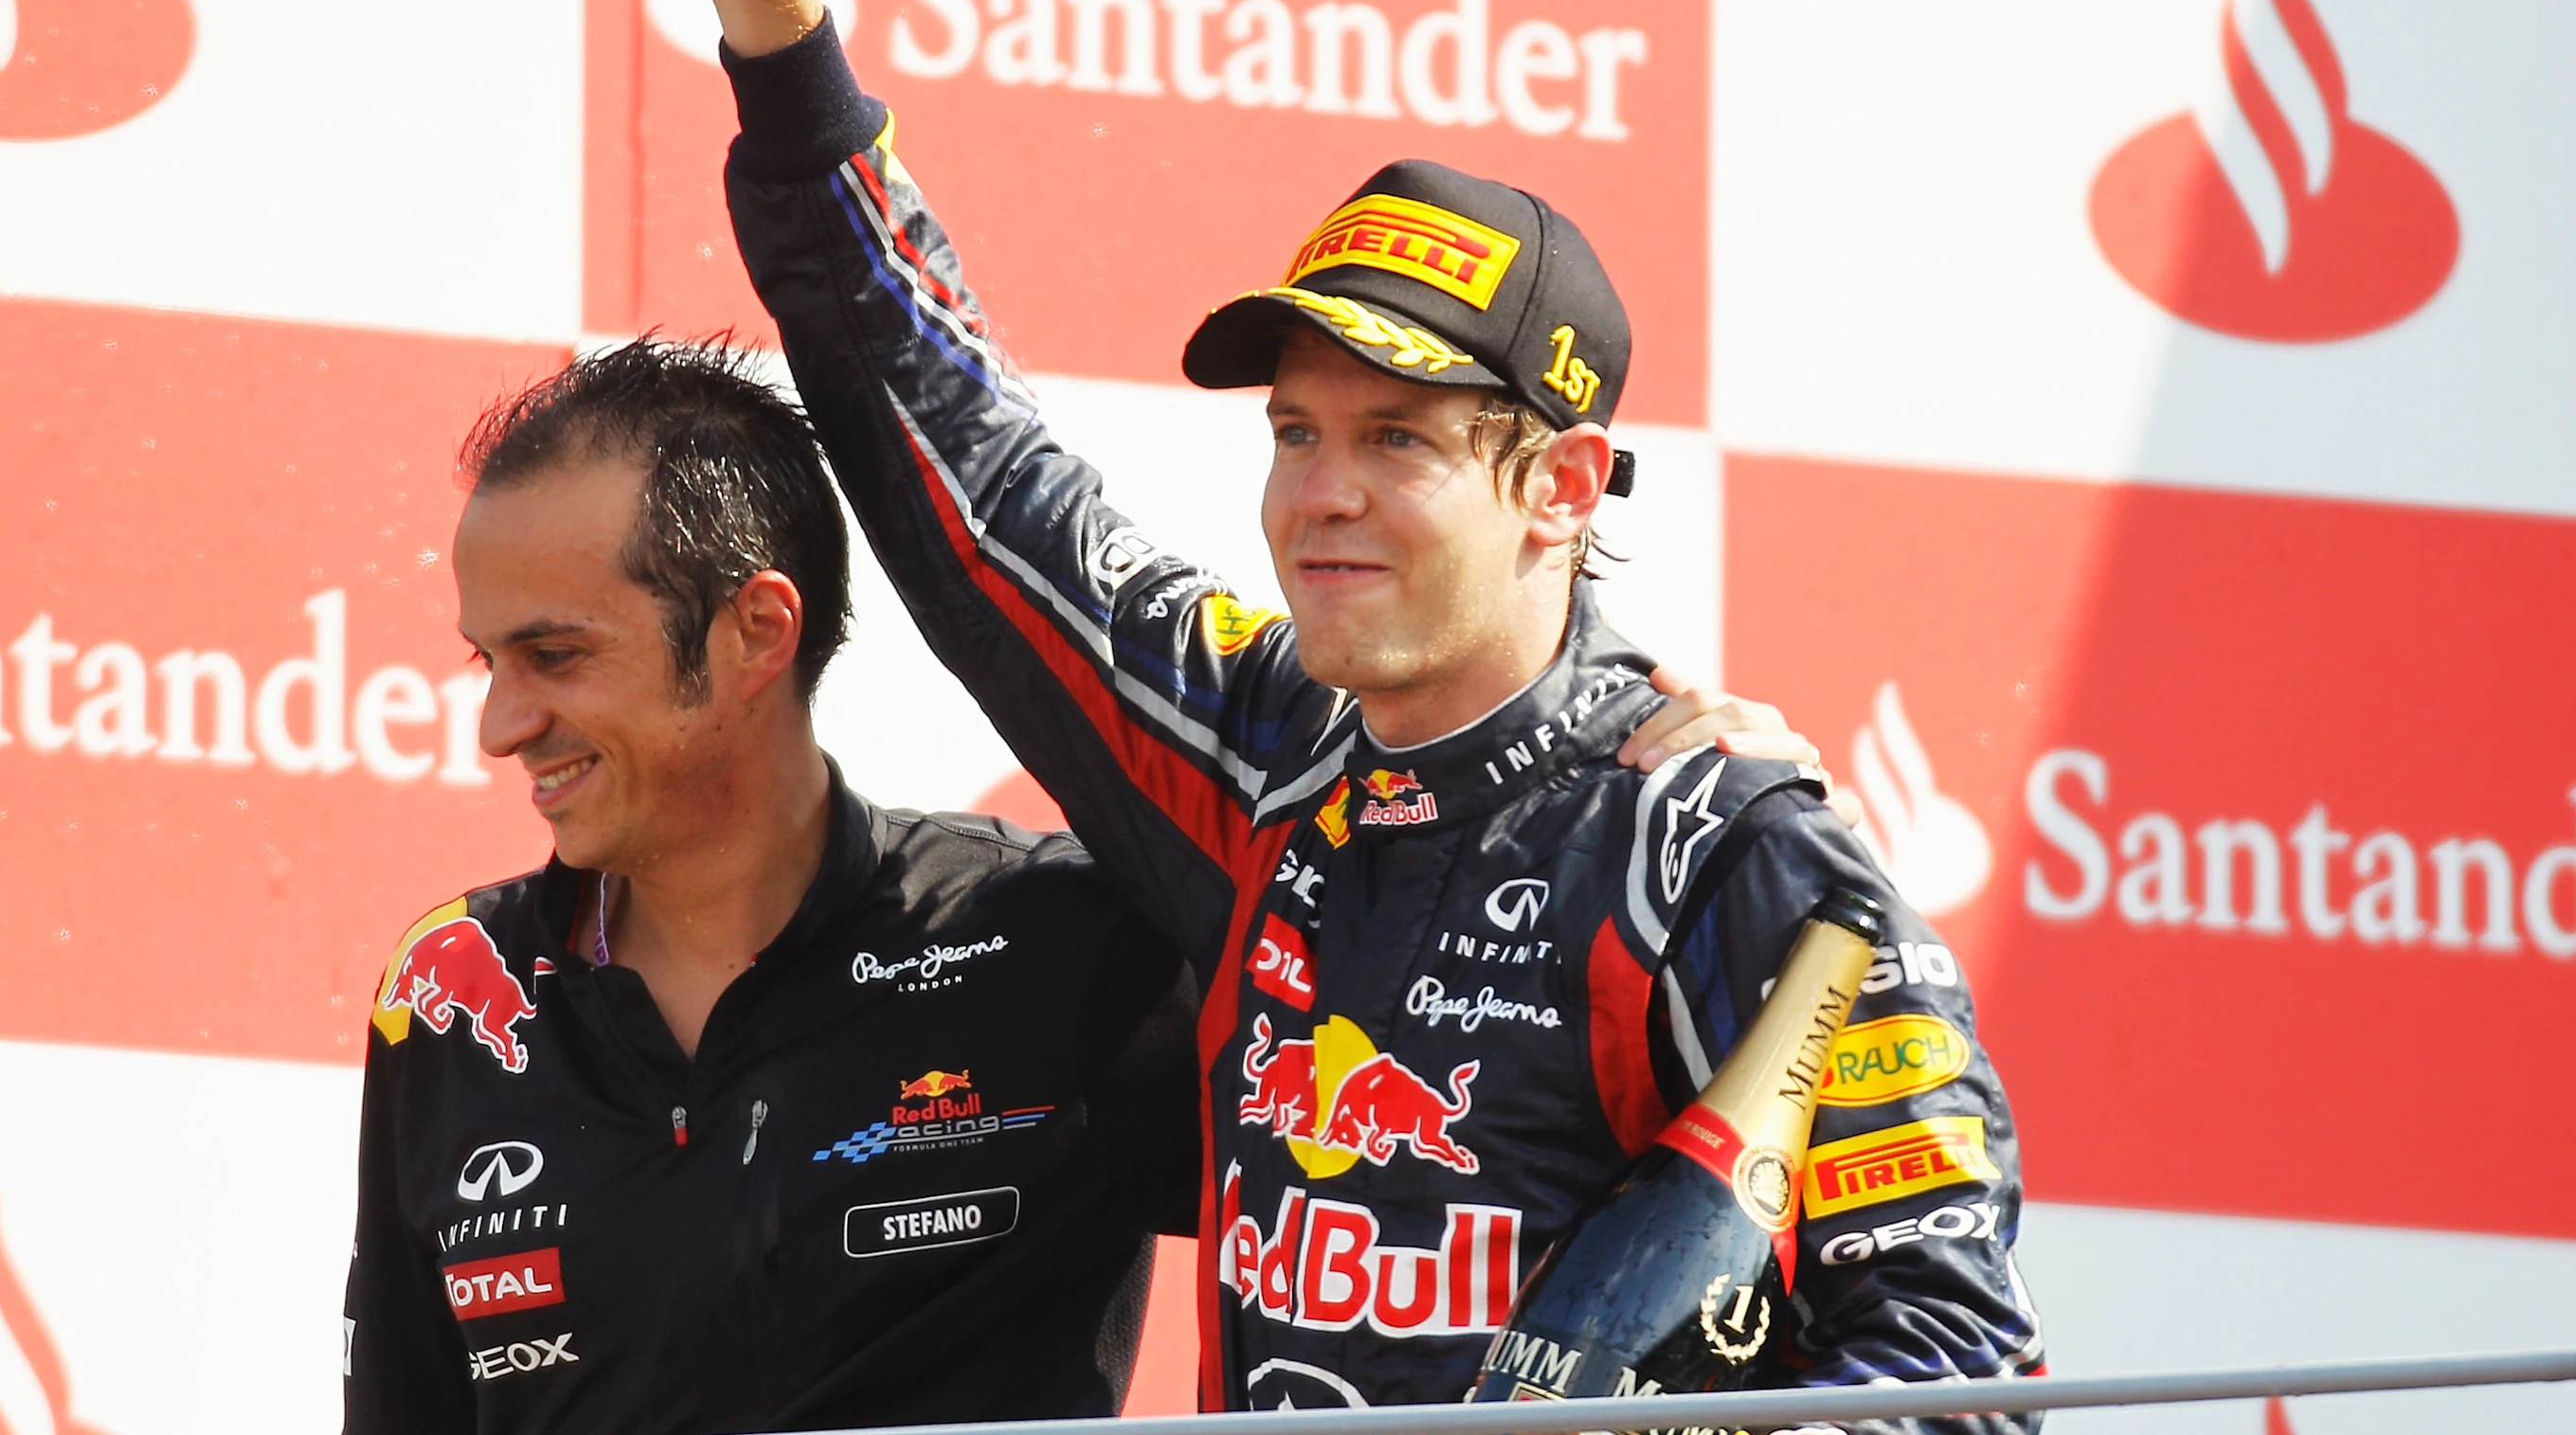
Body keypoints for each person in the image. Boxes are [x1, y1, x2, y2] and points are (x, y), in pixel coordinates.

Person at [647, 0, 2047, 1425]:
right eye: (1298, 433)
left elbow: (1962, 1373)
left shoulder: (1726, 853)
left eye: (1396, 441)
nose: (1316, 493)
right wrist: (781, 41)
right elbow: (975, 478)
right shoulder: (1263, 761)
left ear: (1559, 483)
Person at [341, 340, 1831, 1431]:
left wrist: (1686, 807)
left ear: (753, 632)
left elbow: (1488, 1163)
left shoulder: (1060, 948)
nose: (501, 724)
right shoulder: (458, 998)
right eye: (491, 661)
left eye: (556, 658)